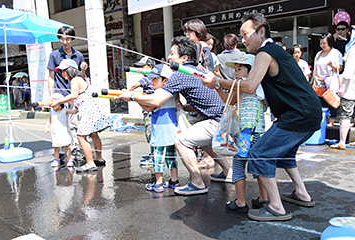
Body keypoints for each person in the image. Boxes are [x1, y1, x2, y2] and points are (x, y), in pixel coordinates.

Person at [203, 12, 321, 221]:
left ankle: (276, 207)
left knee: (260, 153)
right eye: (241, 35)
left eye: (246, 34)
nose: (243, 39)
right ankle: (302, 193)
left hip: (298, 114)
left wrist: (219, 82)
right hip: (305, 113)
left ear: (261, 32)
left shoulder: (266, 52)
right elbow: (237, 95)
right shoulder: (271, 52)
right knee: (286, 154)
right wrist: (218, 83)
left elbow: (249, 86)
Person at [119, 36, 231, 195]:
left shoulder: (181, 74)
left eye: (172, 53)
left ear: (184, 58)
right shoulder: (196, 70)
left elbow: (157, 100)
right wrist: (185, 106)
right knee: (203, 141)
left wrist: (131, 96)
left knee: (180, 141)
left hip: (217, 121)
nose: (169, 57)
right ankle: (228, 171)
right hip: (224, 118)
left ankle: (197, 183)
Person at [211, 53, 268, 212]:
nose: (236, 73)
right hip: (259, 131)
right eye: (235, 69)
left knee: (238, 166)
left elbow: (228, 101)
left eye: (240, 69)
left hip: (243, 133)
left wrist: (216, 85)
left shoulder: (241, 85)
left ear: (250, 71)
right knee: (258, 167)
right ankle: (263, 199)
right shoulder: (260, 85)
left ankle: (241, 202)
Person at [51, 59, 110, 172]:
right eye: (61, 72)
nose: (62, 74)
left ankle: (90, 163)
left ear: (70, 70)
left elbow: (73, 95)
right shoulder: (80, 79)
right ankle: (98, 158)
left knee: (81, 136)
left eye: (64, 71)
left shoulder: (75, 80)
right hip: (94, 109)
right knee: (93, 134)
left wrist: (59, 101)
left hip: (89, 110)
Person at [47, 26, 88, 160]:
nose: (65, 42)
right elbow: (51, 76)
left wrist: (83, 69)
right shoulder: (54, 55)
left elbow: (81, 77)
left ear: (73, 39)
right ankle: (64, 149)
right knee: (59, 123)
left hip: (75, 94)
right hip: (60, 94)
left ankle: (74, 149)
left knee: (74, 122)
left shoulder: (79, 55)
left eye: (68, 39)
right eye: (62, 39)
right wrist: (51, 95)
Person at [139, 64, 180, 193]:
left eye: (155, 79)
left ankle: (158, 183)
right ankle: (174, 180)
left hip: (160, 132)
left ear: (165, 80)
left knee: (158, 158)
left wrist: (135, 99)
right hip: (172, 130)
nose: (151, 82)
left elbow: (148, 108)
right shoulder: (173, 93)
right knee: (171, 157)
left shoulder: (158, 93)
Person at [128, 56, 156, 165]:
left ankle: (153, 157)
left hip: (148, 110)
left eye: (142, 66)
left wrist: (126, 92)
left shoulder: (147, 77)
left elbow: (134, 86)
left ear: (150, 67)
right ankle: (152, 154)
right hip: (154, 109)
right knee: (153, 133)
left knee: (150, 134)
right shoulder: (155, 77)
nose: (140, 69)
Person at [311, 33, 343, 127]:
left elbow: (339, 68)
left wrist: (332, 65)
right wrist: (312, 81)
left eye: (324, 43)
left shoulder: (336, 53)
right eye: (321, 43)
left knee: (331, 103)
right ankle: (323, 122)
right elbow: (315, 69)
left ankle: (331, 122)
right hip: (318, 83)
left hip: (330, 83)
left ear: (330, 42)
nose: (322, 45)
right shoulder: (319, 54)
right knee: (320, 104)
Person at [330, 28, 355, 150]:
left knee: (345, 115)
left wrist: (343, 86)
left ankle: (342, 142)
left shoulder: (353, 49)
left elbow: (349, 71)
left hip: (351, 89)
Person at [45, 93, 77, 168]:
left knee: (67, 146)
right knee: (56, 147)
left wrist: (77, 106)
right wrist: (47, 127)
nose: (53, 105)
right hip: (55, 133)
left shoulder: (65, 110)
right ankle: (56, 159)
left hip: (64, 132)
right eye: (52, 104)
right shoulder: (51, 113)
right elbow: (49, 121)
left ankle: (70, 159)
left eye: (55, 104)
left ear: (60, 103)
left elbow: (74, 112)